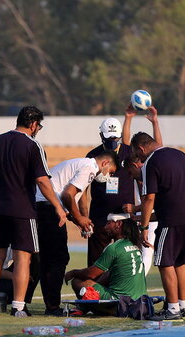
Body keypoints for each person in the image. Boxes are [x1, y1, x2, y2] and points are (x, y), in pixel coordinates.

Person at [0, 106, 67, 317]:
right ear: (33, 124)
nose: (38, 129)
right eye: (39, 125)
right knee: (23, 258)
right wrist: (58, 207)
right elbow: (42, 180)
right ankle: (18, 307)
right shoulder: (33, 145)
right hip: (22, 209)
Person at [35, 152, 118, 316]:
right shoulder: (90, 168)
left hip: (44, 207)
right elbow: (67, 195)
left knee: (49, 259)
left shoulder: (82, 164)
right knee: (57, 259)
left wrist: (80, 220)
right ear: (105, 163)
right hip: (49, 209)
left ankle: (50, 304)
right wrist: (80, 218)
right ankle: (52, 307)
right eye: (111, 171)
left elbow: (74, 197)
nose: (109, 176)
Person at [131, 132, 185, 321]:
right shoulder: (181, 155)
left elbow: (149, 198)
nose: (139, 159)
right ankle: (183, 306)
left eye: (137, 155)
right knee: (180, 262)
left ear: (141, 148)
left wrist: (144, 227)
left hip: (173, 220)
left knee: (164, 262)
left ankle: (172, 309)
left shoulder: (151, 163)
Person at [81, 117, 136, 268]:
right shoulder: (92, 156)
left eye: (116, 137)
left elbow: (141, 181)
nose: (113, 141)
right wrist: (84, 218)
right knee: (97, 263)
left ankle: (126, 292)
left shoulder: (130, 153)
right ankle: (95, 292)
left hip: (125, 218)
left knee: (126, 263)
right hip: (99, 218)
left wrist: (138, 210)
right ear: (101, 136)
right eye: (108, 138)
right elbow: (83, 190)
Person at [64, 213, 147, 301]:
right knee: (106, 276)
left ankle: (85, 308)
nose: (105, 227)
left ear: (118, 224)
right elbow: (109, 273)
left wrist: (72, 273)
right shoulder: (135, 245)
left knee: (77, 282)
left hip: (120, 301)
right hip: (140, 300)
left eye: (108, 223)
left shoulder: (114, 248)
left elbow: (91, 274)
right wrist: (96, 284)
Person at [121, 104, 162, 277]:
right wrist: (128, 118)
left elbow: (158, 147)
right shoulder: (135, 169)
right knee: (136, 251)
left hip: (153, 216)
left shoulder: (148, 167)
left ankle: (139, 284)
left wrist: (155, 122)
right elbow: (125, 145)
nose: (129, 176)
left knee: (148, 251)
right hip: (142, 216)